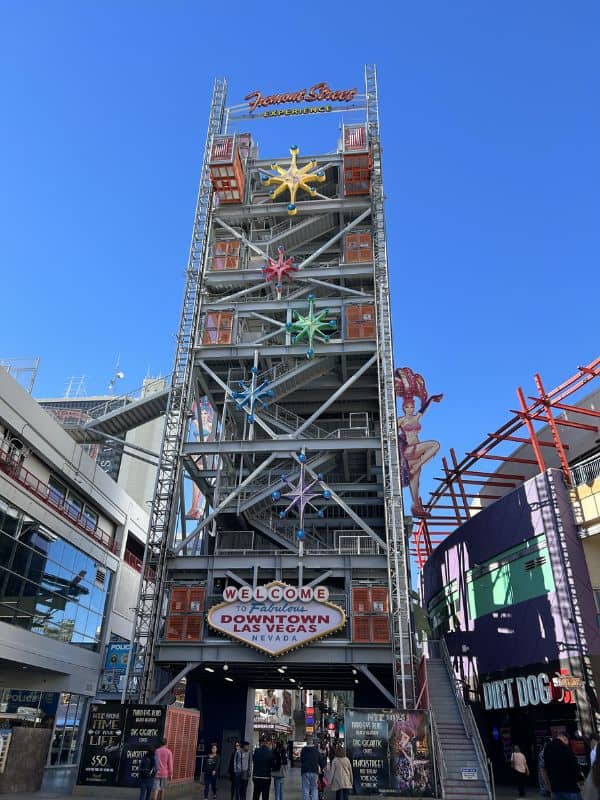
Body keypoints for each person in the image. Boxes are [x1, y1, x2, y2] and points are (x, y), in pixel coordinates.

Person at [394, 366, 443, 517]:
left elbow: (424, 409)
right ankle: (416, 466)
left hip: (417, 453)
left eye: (412, 406)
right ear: (403, 408)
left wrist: (432, 399)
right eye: (407, 406)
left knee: (416, 483)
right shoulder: (400, 420)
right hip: (410, 450)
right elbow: (391, 432)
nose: (410, 408)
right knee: (435, 444)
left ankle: (416, 507)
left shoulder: (416, 418)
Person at [541, 734, 582, 800]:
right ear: (565, 739)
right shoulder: (567, 749)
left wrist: (549, 787)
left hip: (555, 788)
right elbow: (575, 768)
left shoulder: (546, 749)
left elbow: (543, 769)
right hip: (571, 788)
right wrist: (578, 780)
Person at [300, 736, 324, 800]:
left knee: (305, 789)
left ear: (306, 742)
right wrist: (322, 768)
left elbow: (301, 760)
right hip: (314, 771)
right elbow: (321, 761)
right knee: (314, 788)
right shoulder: (316, 751)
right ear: (312, 742)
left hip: (305, 771)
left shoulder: (303, 750)